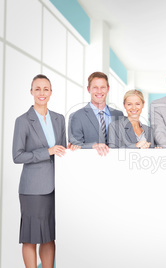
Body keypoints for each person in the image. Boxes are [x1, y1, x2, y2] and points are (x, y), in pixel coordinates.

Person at [12, 75, 79, 268]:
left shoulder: (59, 119)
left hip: (56, 187)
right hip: (32, 189)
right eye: (38, 89)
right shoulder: (23, 121)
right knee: (30, 237)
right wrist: (46, 152)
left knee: (49, 237)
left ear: (51, 92)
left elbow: (62, 151)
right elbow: (17, 156)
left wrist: (70, 148)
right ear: (31, 91)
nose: (42, 93)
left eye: (46, 89)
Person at [68, 71, 124, 156]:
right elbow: (75, 147)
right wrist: (93, 146)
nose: (99, 91)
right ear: (88, 89)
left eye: (102, 87)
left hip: (115, 165)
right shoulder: (76, 116)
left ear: (108, 89)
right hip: (90, 165)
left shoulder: (118, 115)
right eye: (95, 87)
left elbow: (123, 143)